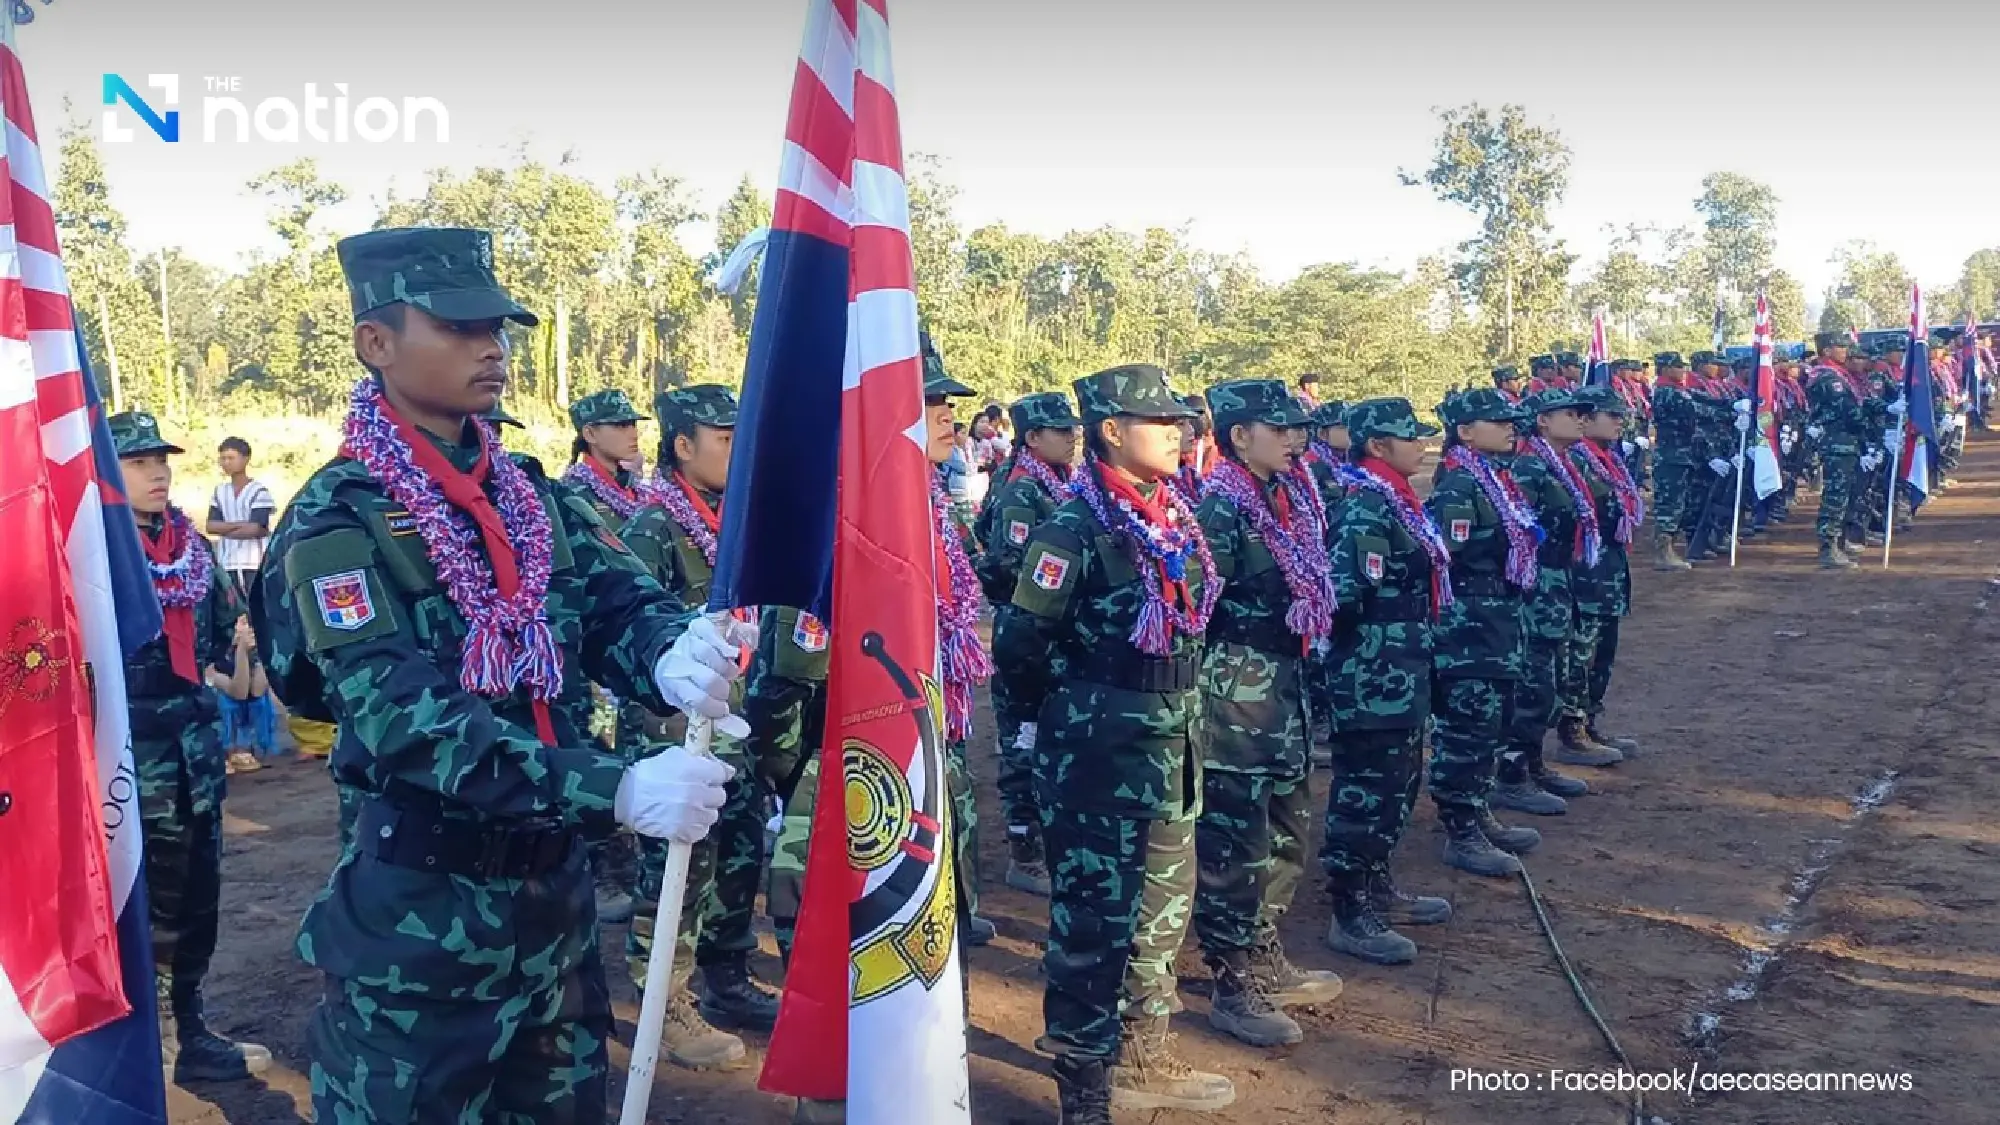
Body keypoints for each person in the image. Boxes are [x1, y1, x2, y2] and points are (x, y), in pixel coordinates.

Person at [255, 226, 749, 1125]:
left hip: (552, 913)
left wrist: (671, 648)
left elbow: (612, 600)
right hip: (422, 931)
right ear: (376, 342)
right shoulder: (337, 520)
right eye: (457, 326)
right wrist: (614, 785)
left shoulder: (525, 493)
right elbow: (402, 718)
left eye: (496, 326)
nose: (491, 347)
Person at [994, 363, 1232, 1123]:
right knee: (1094, 922)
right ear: (1110, 430)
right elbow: (1020, 644)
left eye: (1180, 419)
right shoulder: (1072, 529)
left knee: (1161, 911)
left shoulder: (1173, 517)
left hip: (1171, 746)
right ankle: (1085, 1083)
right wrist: (1068, 713)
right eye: (1159, 420)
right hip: (1099, 754)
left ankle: (1142, 1051)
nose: (1179, 431)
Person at [614, 383, 778, 1069]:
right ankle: (665, 999)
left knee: (737, 854)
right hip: (671, 728)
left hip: (732, 720)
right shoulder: (653, 528)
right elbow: (630, 633)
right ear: (683, 446)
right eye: (725, 439)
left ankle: (726, 976)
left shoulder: (736, 521)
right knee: (679, 868)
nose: (741, 452)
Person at [111, 409, 272, 1085]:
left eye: (162, 460)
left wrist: (247, 656)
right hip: (125, 763)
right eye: (139, 462)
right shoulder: (90, 553)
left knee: (197, 898)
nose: (159, 473)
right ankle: (144, 1042)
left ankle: (191, 1028)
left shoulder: (192, 549)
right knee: (137, 905)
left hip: (195, 757)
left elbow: (224, 637)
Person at [1189, 379, 1343, 1046]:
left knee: (1288, 830)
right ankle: (1232, 981)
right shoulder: (1220, 511)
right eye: (1277, 428)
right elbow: (1194, 612)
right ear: (1239, 435)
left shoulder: (1286, 498)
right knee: (1235, 846)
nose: (1294, 438)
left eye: (1295, 427)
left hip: (1282, 691)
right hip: (1235, 702)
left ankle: (1263, 947)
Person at [1316, 399, 1455, 953]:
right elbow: (1343, 598)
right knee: (1366, 789)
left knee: (1396, 784)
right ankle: (1349, 908)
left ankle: (1376, 883)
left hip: (1400, 664)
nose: (1422, 445)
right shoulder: (1366, 507)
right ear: (1377, 445)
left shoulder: (1394, 499)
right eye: (1410, 437)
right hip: (1372, 670)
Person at [1423, 389, 1557, 883]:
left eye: (1511, 421)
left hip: (1497, 621)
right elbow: (1444, 558)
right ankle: (1460, 829)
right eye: (1497, 421)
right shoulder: (1460, 487)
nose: (1510, 427)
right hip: (1469, 626)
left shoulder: (1493, 479)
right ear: (1465, 431)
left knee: (1494, 723)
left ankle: (1478, 810)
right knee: (1468, 728)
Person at [972, 390, 1083, 897]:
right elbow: (1006, 565)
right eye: (1061, 430)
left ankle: (1049, 842)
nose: (1072, 437)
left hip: (1055, 635)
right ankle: (1026, 852)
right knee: (1024, 741)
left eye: (1073, 429)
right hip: (1028, 634)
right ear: (1033, 437)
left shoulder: (1056, 483)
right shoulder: (1022, 491)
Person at [558, 387, 658, 927]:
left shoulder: (636, 490)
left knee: (632, 749)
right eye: (617, 425)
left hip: (631, 645)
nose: (631, 432)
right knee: (598, 750)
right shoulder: (574, 495)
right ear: (589, 434)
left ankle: (631, 864)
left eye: (632, 422)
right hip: (592, 655)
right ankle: (604, 874)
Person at [1504, 390, 1619, 790]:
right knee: (1533, 682)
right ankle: (1514, 773)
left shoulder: (1563, 464)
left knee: (1553, 680)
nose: (1580, 420)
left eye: (1583, 414)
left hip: (1559, 582)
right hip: (1537, 586)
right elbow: (1517, 533)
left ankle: (1533, 763)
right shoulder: (1529, 468)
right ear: (1543, 421)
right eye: (1570, 414)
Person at [1561, 386, 1644, 756]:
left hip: (1608, 569)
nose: (1619, 422)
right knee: (1581, 654)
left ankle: (1590, 724)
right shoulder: (1576, 461)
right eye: (1612, 415)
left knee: (1602, 653)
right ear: (1587, 418)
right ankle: (1573, 731)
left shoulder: (1607, 458)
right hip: (1586, 572)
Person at [1805, 333, 1870, 569]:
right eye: (1840, 347)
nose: (1845, 351)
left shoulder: (1840, 375)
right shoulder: (1827, 377)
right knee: (1835, 497)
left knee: (1847, 496)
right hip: (1837, 443)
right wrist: (1872, 422)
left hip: (1846, 442)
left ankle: (1839, 543)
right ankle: (1828, 548)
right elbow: (1849, 411)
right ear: (1826, 351)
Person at [206, 437, 277, 599]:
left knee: (257, 606)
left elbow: (257, 529)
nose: (226, 463)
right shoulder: (220, 491)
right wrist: (242, 525)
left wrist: (224, 529)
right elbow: (210, 526)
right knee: (232, 609)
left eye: (231, 458)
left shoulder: (259, 491)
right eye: (223, 458)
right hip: (227, 562)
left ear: (245, 459)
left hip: (255, 562)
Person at [208, 615, 277, 773]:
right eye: (241, 626)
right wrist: (240, 650)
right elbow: (239, 692)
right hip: (222, 714)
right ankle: (226, 751)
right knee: (226, 700)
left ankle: (250, 747)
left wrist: (256, 652)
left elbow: (258, 690)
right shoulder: (212, 663)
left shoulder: (255, 655)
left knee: (259, 700)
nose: (248, 631)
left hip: (247, 700)